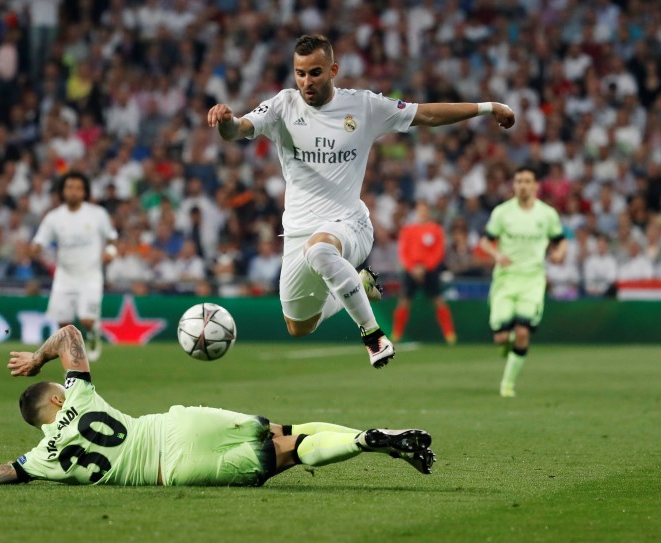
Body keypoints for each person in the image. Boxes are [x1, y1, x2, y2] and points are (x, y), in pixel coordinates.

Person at [207, 33, 514, 369]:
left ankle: (373, 336)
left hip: (349, 225)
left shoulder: (364, 106)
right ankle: (361, 284)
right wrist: (226, 121)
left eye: (315, 72)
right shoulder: (282, 106)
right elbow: (238, 130)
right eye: (300, 73)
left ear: (333, 69)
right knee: (298, 326)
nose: (306, 81)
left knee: (320, 250)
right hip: (297, 231)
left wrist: (488, 107)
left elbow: (425, 114)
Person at [0, 325, 436, 486]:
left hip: (172, 470)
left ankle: (361, 441)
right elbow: (70, 334)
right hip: (177, 425)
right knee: (283, 428)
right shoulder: (81, 395)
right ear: (56, 396)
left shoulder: (42, 459)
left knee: (289, 451)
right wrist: (36, 357)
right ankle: (372, 436)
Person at [479, 167, 567, 398]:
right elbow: (486, 241)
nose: (523, 185)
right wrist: (496, 255)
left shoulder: (547, 214)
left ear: (536, 185)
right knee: (500, 338)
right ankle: (508, 351)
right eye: (519, 181)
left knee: (522, 333)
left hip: (533, 280)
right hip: (505, 280)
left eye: (528, 181)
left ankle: (507, 385)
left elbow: (560, 241)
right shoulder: (502, 212)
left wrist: (559, 254)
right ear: (514, 185)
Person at [31, 172, 117, 361]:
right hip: (65, 276)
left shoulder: (97, 214)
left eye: (78, 188)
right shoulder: (54, 217)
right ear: (62, 191)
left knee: (86, 320)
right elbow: (39, 241)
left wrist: (111, 251)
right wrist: (35, 248)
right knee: (64, 326)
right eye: (69, 187)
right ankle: (74, 360)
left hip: (90, 275)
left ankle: (93, 334)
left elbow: (112, 237)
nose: (73, 192)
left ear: (84, 192)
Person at [393, 201, 457, 344]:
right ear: (416, 212)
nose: (422, 213)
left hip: (430, 271)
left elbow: (438, 252)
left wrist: (425, 267)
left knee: (439, 301)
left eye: (425, 210)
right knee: (404, 302)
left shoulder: (435, 230)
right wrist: (412, 268)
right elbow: (403, 252)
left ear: (428, 212)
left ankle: (450, 334)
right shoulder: (408, 230)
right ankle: (396, 334)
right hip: (411, 271)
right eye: (420, 210)